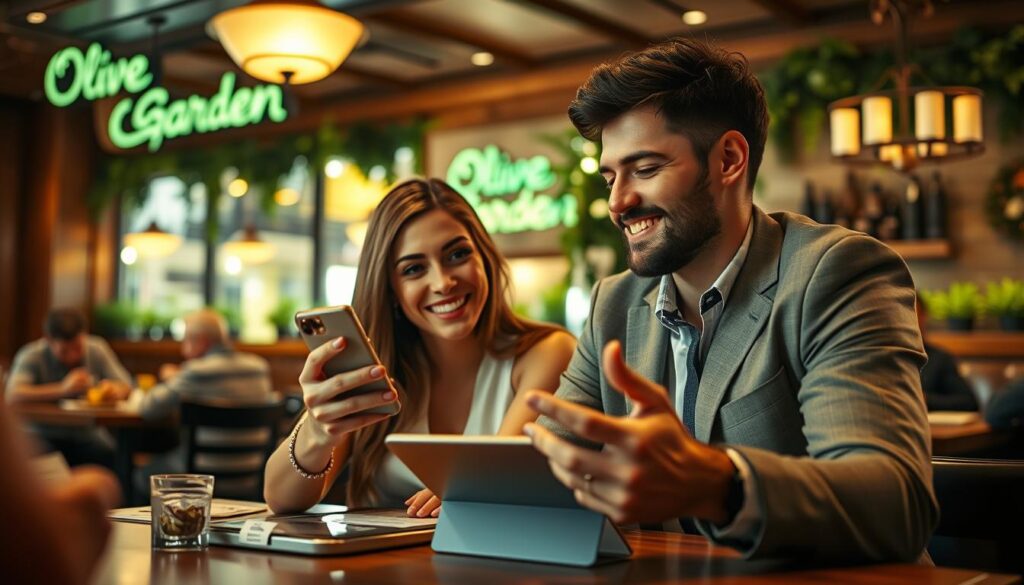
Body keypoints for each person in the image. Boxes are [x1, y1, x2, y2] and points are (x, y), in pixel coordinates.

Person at [523, 38, 937, 563]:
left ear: (729, 159)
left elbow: (893, 502)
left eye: (645, 169)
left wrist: (716, 484)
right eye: (610, 176)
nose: (618, 202)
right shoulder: (614, 303)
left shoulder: (834, 273)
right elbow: (542, 466)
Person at [264, 178, 576, 517]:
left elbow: (493, 486)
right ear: (391, 289)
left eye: (457, 254)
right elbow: (280, 499)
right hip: (380, 567)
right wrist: (318, 430)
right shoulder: (374, 371)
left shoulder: (546, 353)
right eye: (414, 269)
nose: (443, 283)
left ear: (484, 257)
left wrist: (468, 490)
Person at [137, 309, 273, 492]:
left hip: (202, 475)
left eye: (185, 340)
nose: (182, 348)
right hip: (252, 473)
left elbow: (148, 408)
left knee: (143, 474)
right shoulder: (258, 367)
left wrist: (172, 379)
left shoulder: (196, 372)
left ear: (201, 341)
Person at [0, 397, 121, 584]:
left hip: (81, 437)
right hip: (46, 433)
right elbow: (16, 393)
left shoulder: (93, 365)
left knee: (103, 451)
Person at [5, 308, 132, 468]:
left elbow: (126, 385)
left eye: (78, 348)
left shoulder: (96, 348)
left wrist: (115, 390)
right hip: (42, 433)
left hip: (86, 434)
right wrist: (63, 389)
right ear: (48, 340)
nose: (73, 356)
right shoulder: (32, 354)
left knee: (116, 459)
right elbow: (13, 394)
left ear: (84, 335)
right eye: (64, 351)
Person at [916, 295, 979, 411]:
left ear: (924, 317)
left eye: (914, 314)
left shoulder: (939, 359)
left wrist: (925, 399)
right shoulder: (884, 357)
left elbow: (968, 402)